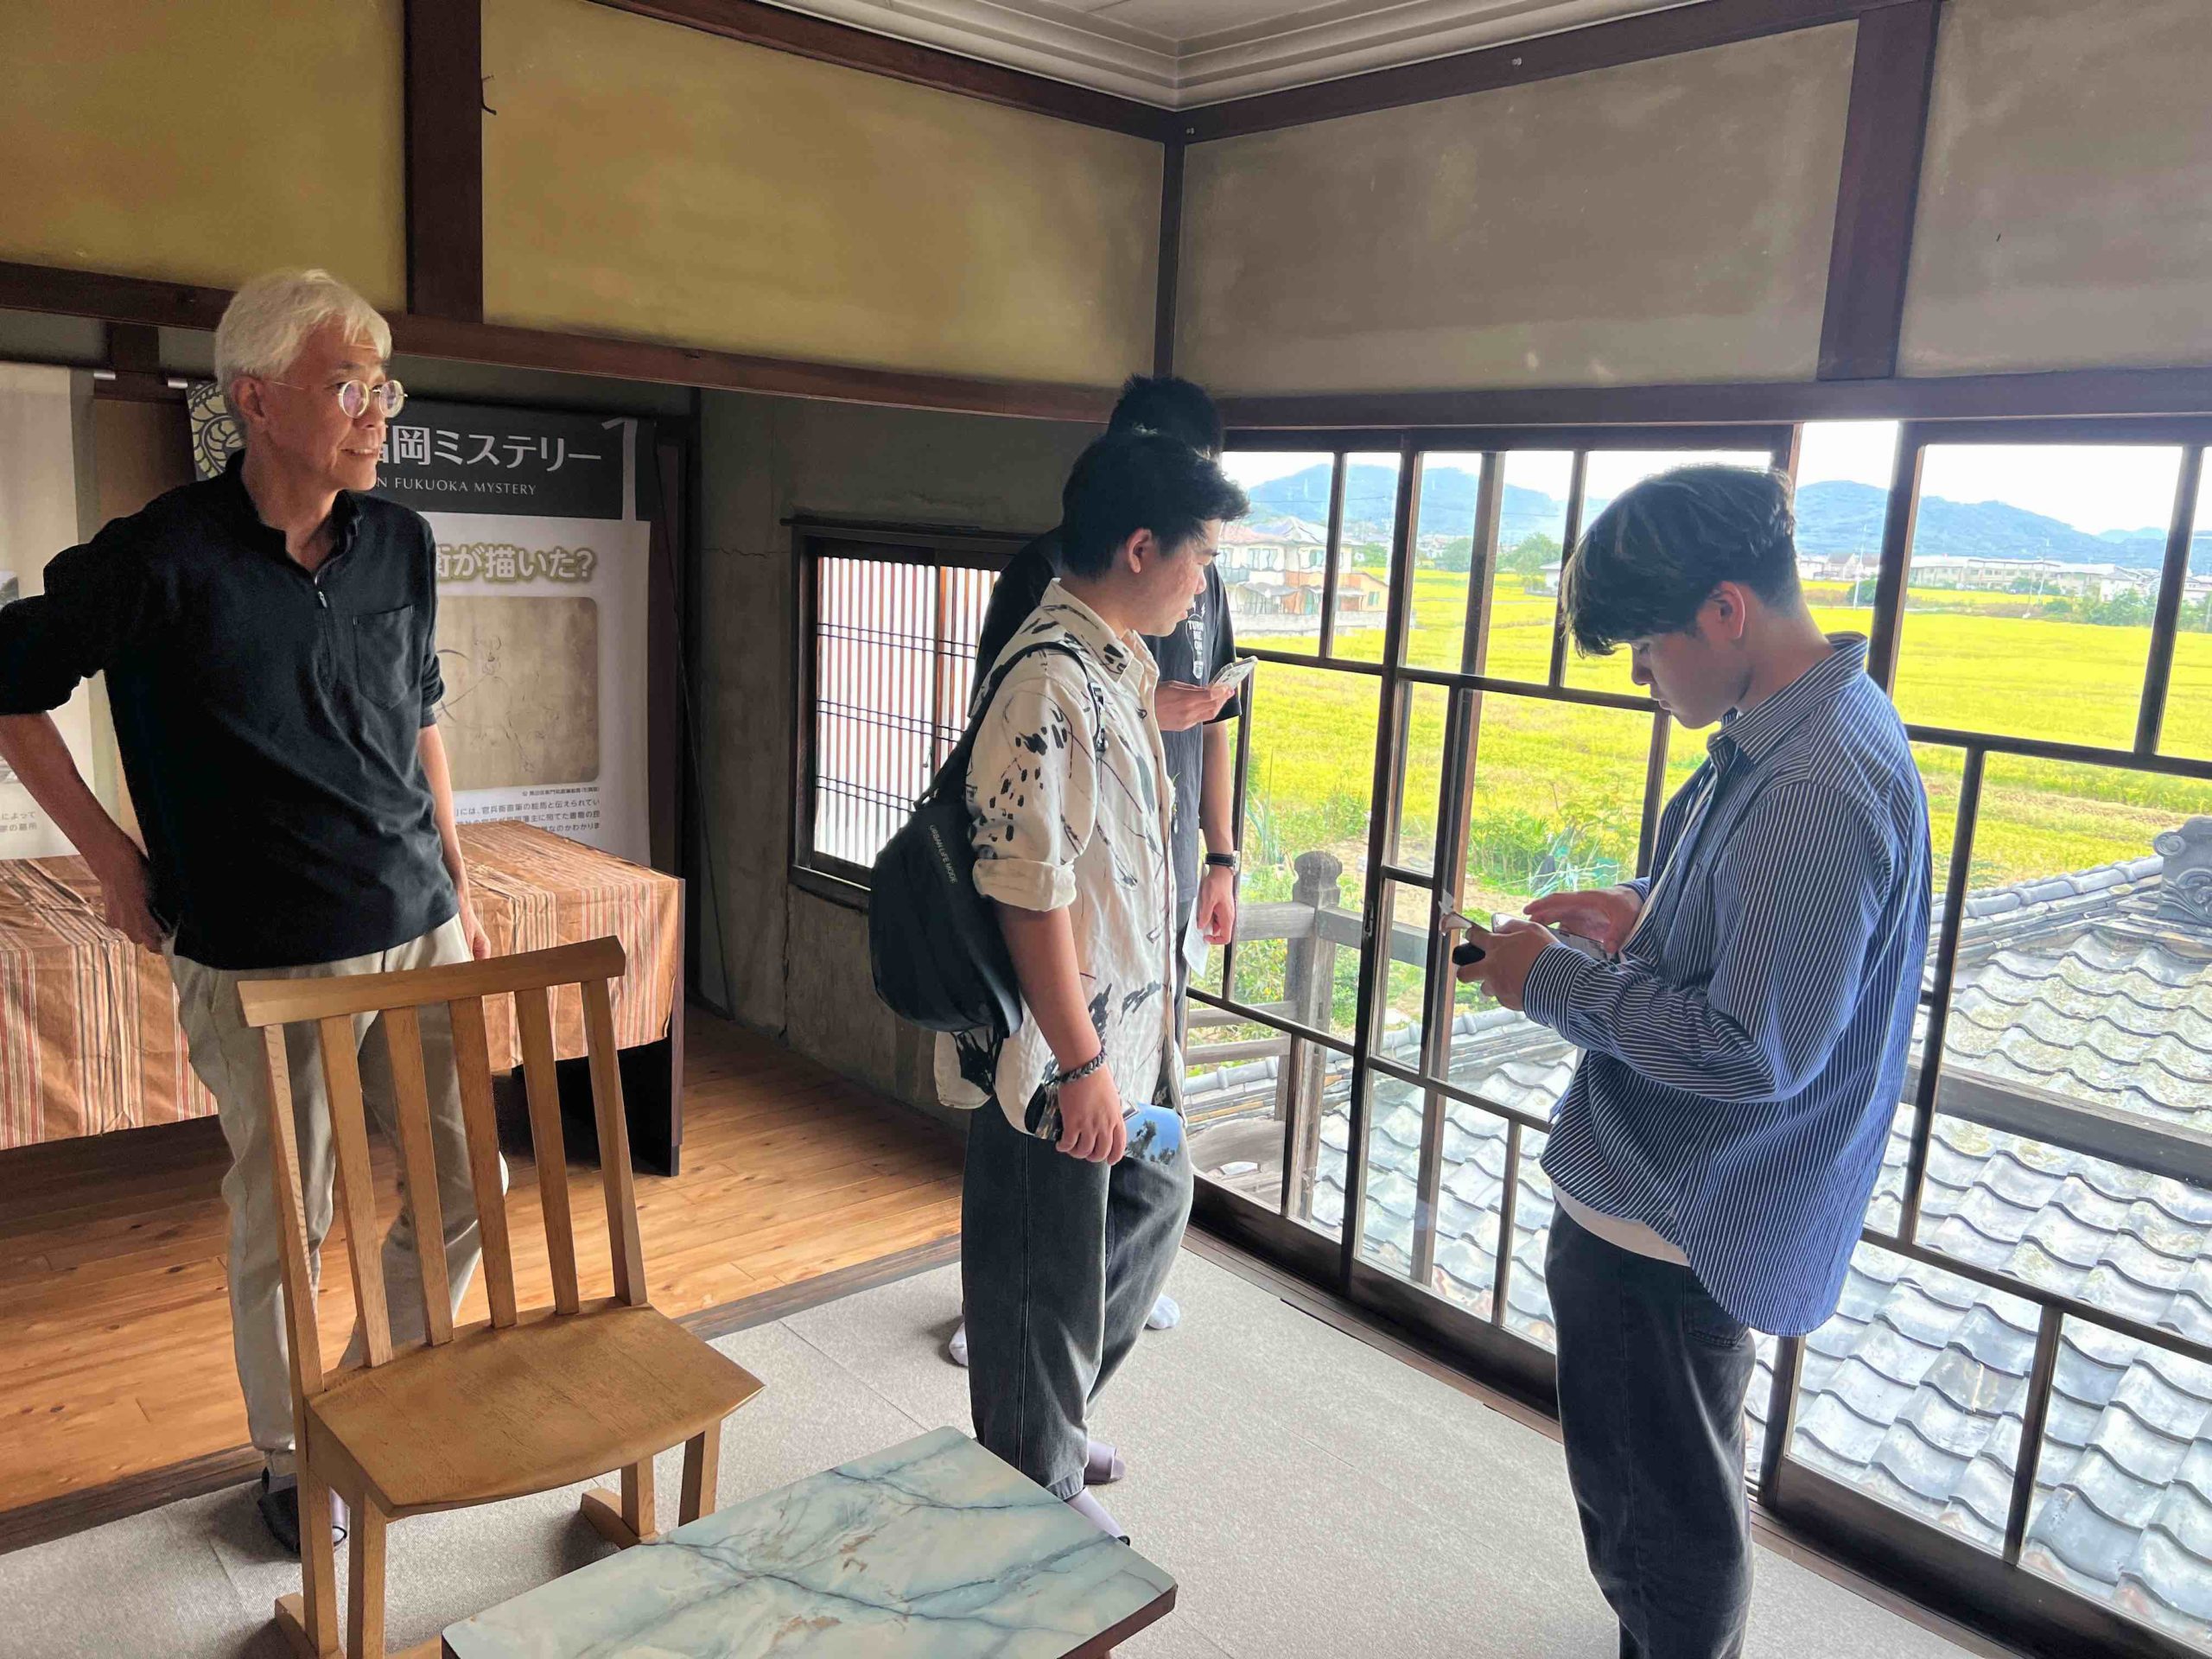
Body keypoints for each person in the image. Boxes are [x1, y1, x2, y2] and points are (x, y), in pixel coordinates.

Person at [0, 270, 494, 1555]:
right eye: (348, 388)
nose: (376, 414)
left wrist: (455, 872)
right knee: (288, 1216)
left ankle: (377, 1402)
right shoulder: (159, 556)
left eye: (384, 389)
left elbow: (419, 709)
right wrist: (109, 860)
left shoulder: (401, 542)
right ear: (257, 400)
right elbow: (8, 686)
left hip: (419, 921)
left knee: (469, 1182)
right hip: (262, 955)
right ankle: (292, 1454)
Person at [1453, 467, 1929, 1659]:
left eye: (1645, 645)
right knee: (1664, 1488)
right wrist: (1643, 909)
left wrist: (1547, 982)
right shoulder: (1800, 730)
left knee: (1661, 1527)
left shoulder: (1816, 782)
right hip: (1677, 1196)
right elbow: (1757, 931)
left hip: (1680, 1210)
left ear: (1725, 610)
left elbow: (1752, 1050)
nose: (1639, 674)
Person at [939, 430, 1248, 1540]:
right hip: (1055, 1046)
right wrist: (1077, 1067)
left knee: (1153, 1202)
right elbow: (1028, 894)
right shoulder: (1047, 679)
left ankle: (1045, 1428)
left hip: (1126, 1023)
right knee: (1042, 1263)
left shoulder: (1115, 660)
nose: (1203, 583)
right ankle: (1033, 1482)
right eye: (1199, 557)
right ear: (1140, 547)